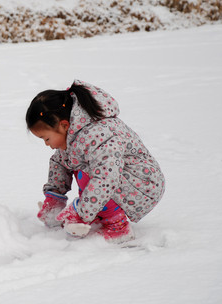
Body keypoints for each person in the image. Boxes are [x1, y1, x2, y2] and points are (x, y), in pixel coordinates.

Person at [26, 80, 165, 243]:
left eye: (47, 138)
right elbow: (60, 162)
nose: (47, 144)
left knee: (88, 173)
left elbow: (106, 179)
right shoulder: (76, 133)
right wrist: (54, 198)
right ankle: (99, 213)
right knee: (73, 163)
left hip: (143, 184)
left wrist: (80, 211)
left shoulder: (99, 135)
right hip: (120, 181)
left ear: (63, 125)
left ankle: (118, 227)